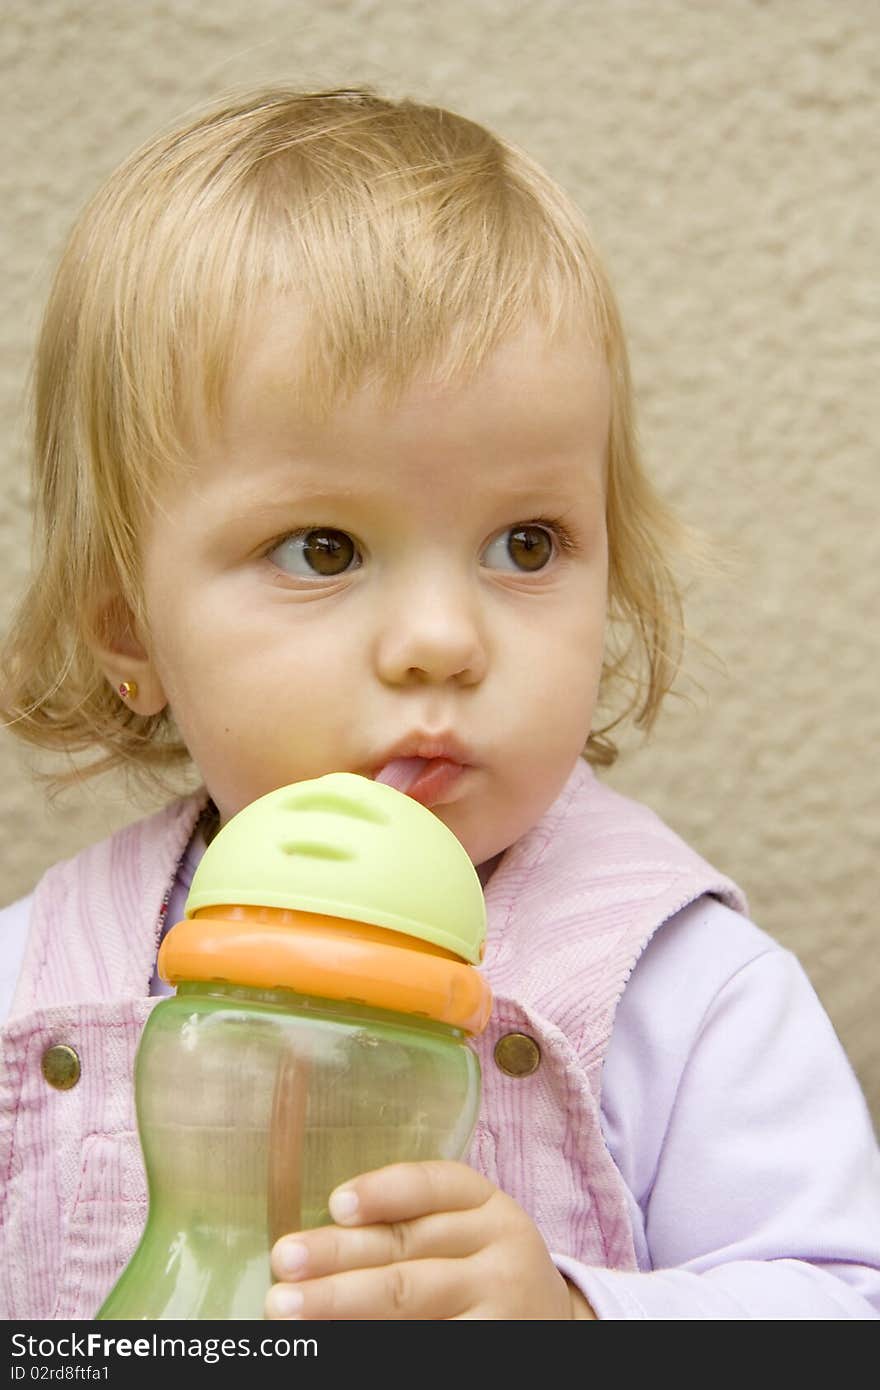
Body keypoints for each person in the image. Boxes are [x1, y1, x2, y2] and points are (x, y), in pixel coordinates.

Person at [1, 86, 878, 1323]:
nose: (440, 642)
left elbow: (841, 1309)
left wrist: (573, 1321)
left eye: (525, 543)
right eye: (321, 548)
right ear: (127, 627)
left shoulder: (676, 991)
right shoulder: (35, 980)